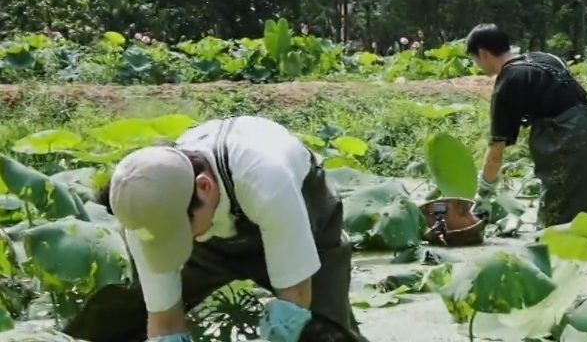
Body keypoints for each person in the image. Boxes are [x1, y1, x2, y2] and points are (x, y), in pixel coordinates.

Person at [63, 115, 367, 342]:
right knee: (116, 319)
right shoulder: (146, 205)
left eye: (179, 234)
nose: (170, 243)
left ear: (204, 187)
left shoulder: (267, 179)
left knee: (324, 332)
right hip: (208, 235)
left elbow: (295, 300)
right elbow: (164, 321)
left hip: (301, 210)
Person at [465, 23, 587, 229]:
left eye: (474, 59)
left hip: (571, 155)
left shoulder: (508, 83)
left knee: (554, 235)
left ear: (482, 54)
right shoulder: (545, 59)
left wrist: (483, 197)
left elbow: (496, 150)